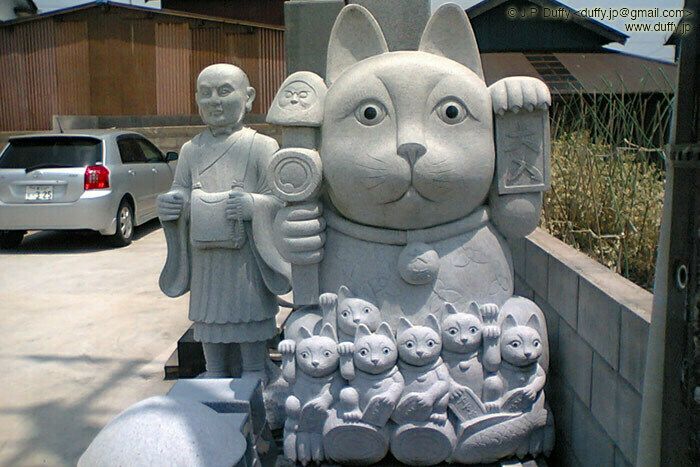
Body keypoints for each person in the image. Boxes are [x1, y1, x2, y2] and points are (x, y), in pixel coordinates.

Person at [157, 64, 290, 382]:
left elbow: (279, 201)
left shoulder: (261, 146)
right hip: (206, 259)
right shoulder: (191, 150)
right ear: (197, 100)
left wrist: (253, 205)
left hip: (246, 259)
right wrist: (173, 203)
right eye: (206, 93)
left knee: (249, 316)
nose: (215, 101)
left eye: (224, 91)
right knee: (208, 319)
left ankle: (256, 373)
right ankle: (214, 372)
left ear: (249, 97)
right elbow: (181, 189)